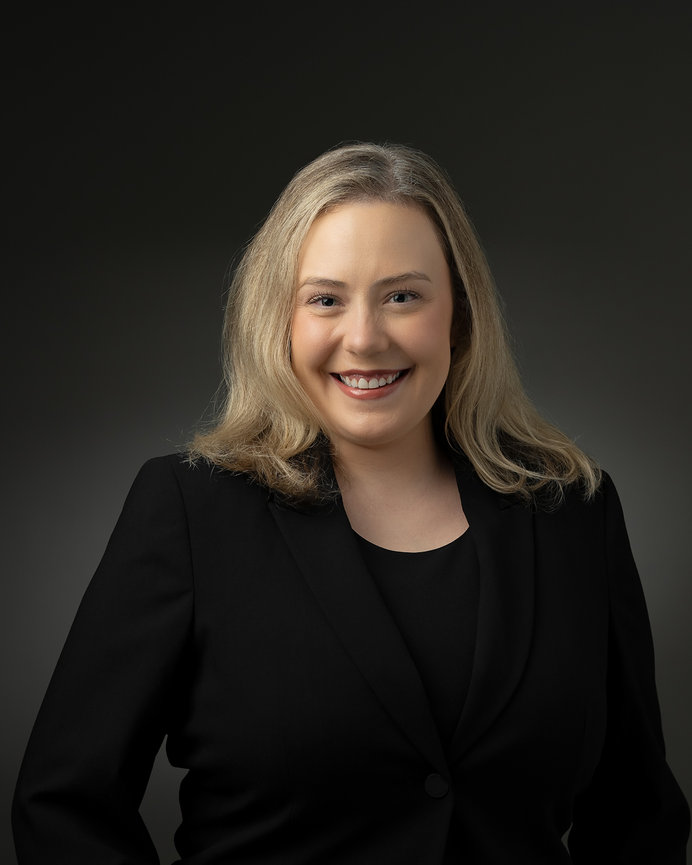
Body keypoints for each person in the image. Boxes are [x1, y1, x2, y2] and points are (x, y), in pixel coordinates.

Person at [12, 142, 689, 864]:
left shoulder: (573, 514)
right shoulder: (189, 509)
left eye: (403, 295)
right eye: (326, 299)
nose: (364, 338)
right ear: (282, 320)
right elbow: (64, 805)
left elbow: (637, 813)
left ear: (458, 315)